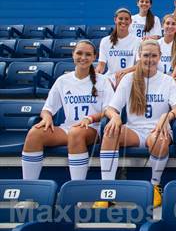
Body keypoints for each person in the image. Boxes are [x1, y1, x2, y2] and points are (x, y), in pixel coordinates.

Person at [100, 39, 176, 207]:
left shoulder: (167, 81)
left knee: (158, 140)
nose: (149, 59)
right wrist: (115, 116)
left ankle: (155, 185)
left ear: (159, 57)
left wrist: (166, 116)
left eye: (153, 55)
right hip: (134, 131)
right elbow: (110, 107)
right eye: (146, 55)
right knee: (110, 132)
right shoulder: (129, 79)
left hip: (157, 130)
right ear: (139, 56)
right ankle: (107, 191)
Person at [22, 40, 113, 181]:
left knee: (76, 132)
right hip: (68, 129)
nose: (83, 57)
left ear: (94, 57)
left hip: (93, 130)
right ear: (73, 55)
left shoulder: (103, 81)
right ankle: (28, 192)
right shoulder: (63, 81)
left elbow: (109, 110)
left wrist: (90, 118)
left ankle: (77, 191)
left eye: (88, 54)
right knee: (35, 133)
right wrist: (47, 118)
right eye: (79, 53)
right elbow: (47, 109)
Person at [96, 8, 140, 88]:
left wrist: (124, 72)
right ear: (115, 20)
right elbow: (101, 65)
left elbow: (139, 65)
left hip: (130, 77)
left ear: (130, 21)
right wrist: (96, 74)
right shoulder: (105, 41)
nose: (123, 21)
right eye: (120, 18)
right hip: (111, 78)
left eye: (126, 19)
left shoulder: (137, 41)